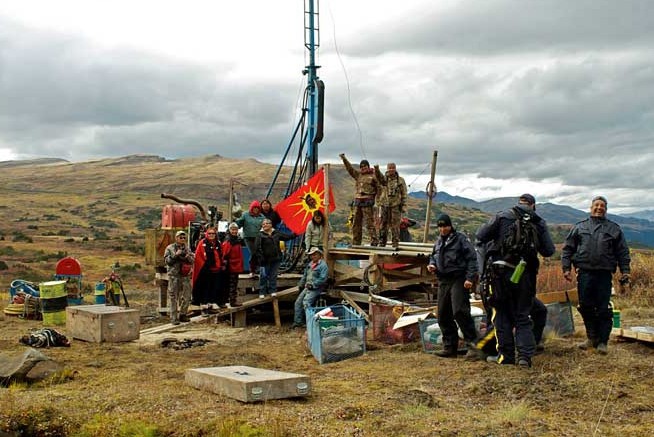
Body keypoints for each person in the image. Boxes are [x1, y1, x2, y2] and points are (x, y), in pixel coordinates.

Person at [476, 194, 555, 368]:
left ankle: (506, 357)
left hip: (499, 274)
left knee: (502, 315)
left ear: (518, 203)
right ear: (533, 206)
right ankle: (525, 358)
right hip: (525, 276)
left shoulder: (503, 215)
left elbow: (480, 235)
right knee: (522, 316)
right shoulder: (539, 222)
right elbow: (549, 250)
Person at [561, 195, 631, 355]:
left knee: (603, 308)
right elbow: (567, 249)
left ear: (606, 209)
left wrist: (625, 270)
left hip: (604, 274)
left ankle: (603, 342)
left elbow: (622, 251)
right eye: (596, 205)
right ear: (591, 207)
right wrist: (566, 268)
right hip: (584, 273)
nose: (599, 208)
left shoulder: (614, 228)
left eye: (602, 206)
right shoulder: (579, 227)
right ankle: (591, 338)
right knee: (585, 307)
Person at [427, 213, 480, 359]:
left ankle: (473, 346)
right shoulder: (438, 242)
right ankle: (450, 348)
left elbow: (472, 259)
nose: (442, 229)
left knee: (460, 311)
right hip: (443, 280)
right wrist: (431, 264)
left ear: (450, 226)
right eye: (440, 226)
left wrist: (470, 278)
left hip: (459, 278)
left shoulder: (461, 239)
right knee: (443, 314)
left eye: (445, 226)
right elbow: (433, 256)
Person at [339, 153, 380, 246]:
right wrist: (344, 158)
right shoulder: (358, 175)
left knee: (369, 223)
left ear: (368, 166)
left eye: (365, 166)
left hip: (368, 201)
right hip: (358, 201)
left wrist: (378, 202)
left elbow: (379, 189)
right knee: (356, 223)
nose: (363, 168)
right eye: (361, 167)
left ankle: (374, 241)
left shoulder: (374, 176)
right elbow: (349, 169)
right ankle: (356, 242)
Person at [254, 218, 296, 299]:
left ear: (271, 225)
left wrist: (295, 234)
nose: (265, 225)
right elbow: (257, 248)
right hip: (265, 260)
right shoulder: (260, 235)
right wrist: (261, 258)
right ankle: (262, 291)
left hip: (276, 259)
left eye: (267, 223)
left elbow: (287, 237)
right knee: (263, 276)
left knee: (273, 276)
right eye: (263, 224)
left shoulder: (276, 233)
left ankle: (272, 290)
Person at [291, 247, 329, 329]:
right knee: (298, 303)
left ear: (319, 255)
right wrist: (300, 284)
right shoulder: (310, 264)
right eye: (311, 255)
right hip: (308, 287)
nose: (313, 257)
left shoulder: (323, 265)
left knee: (306, 303)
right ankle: (298, 322)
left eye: (314, 255)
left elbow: (323, 279)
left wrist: (313, 284)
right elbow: (305, 275)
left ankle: (311, 323)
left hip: (316, 288)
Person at [191, 226, 225, 314]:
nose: (211, 235)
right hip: (205, 270)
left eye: (213, 233)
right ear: (206, 234)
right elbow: (199, 256)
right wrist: (204, 266)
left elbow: (221, 255)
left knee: (214, 288)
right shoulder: (202, 243)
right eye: (209, 233)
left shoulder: (218, 243)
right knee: (205, 289)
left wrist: (222, 264)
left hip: (216, 270)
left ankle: (211, 305)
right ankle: (204, 307)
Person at [164, 230, 194, 325]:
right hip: (174, 275)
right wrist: (175, 255)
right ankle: (173, 317)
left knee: (187, 296)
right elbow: (167, 261)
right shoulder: (170, 248)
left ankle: (183, 314)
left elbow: (192, 260)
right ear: (176, 238)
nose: (182, 239)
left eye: (184, 237)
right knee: (173, 297)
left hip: (185, 275)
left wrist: (188, 257)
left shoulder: (187, 248)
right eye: (180, 237)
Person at [375, 162, 408, 249]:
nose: (391, 170)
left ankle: (395, 243)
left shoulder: (400, 180)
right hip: (385, 204)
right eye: (389, 168)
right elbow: (378, 177)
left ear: (395, 168)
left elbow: (404, 193)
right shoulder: (384, 179)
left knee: (395, 225)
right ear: (387, 169)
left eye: (393, 168)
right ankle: (382, 242)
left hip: (396, 205)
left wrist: (404, 205)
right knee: (383, 224)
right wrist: (376, 169)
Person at [235, 200, 265, 276]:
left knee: (259, 253)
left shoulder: (262, 216)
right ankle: (252, 270)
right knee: (253, 252)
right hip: (248, 237)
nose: (256, 210)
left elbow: (265, 226)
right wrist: (235, 224)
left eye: (257, 208)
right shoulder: (245, 215)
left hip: (258, 237)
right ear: (251, 208)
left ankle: (259, 269)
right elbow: (239, 223)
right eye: (254, 208)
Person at [222, 222, 244, 308]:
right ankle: (232, 301)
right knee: (231, 284)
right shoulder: (228, 241)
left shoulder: (237, 239)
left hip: (236, 265)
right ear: (229, 230)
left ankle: (232, 300)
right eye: (232, 229)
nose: (234, 231)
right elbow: (224, 254)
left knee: (234, 284)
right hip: (231, 266)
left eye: (236, 229)